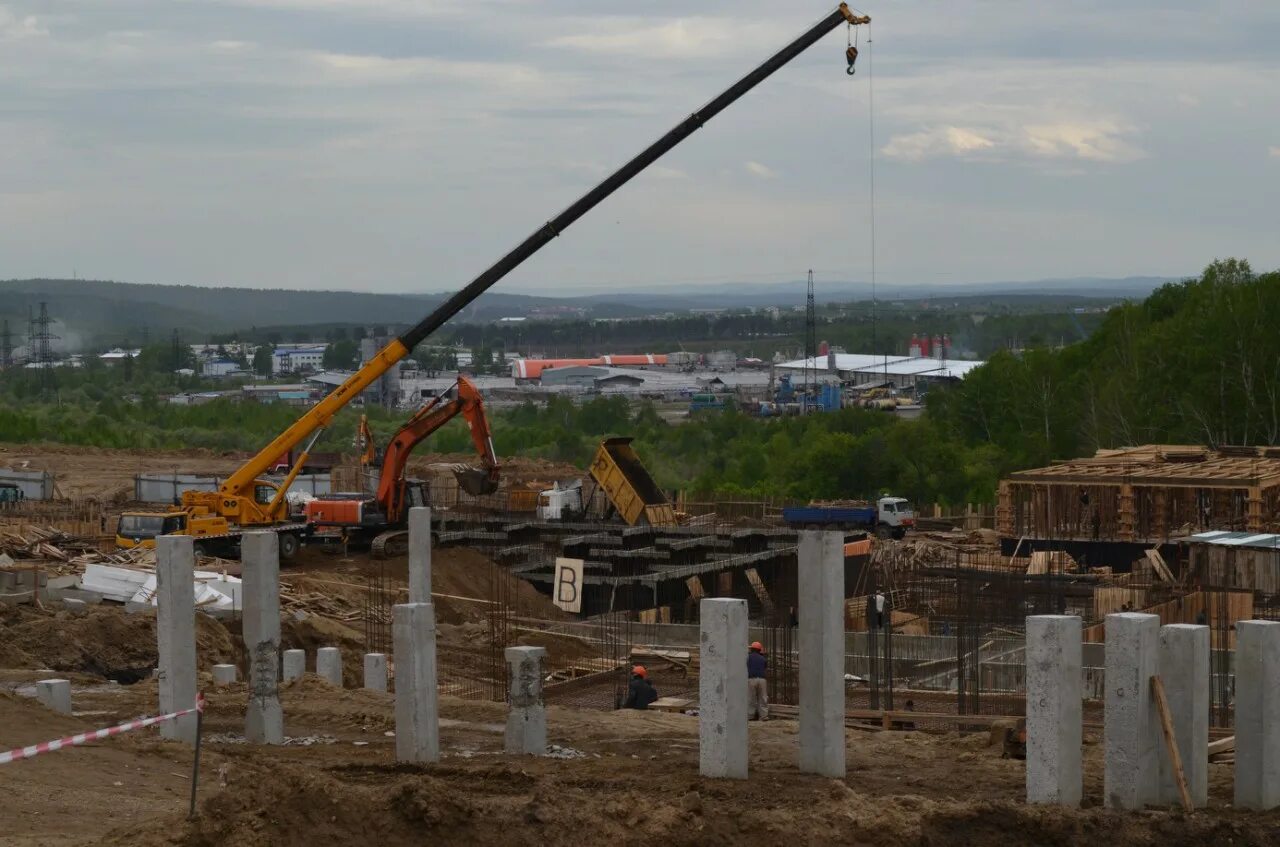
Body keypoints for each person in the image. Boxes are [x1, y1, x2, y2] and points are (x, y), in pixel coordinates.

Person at [747, 641, 768, 721]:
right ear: (759, 650)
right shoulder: (763, 658)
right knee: (763, 698)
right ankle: (764, 716)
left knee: (751, 698)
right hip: (762, 680)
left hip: (751, 679)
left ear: (752, 649)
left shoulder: (748, 657)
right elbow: (765, 668)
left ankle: (750, 716)